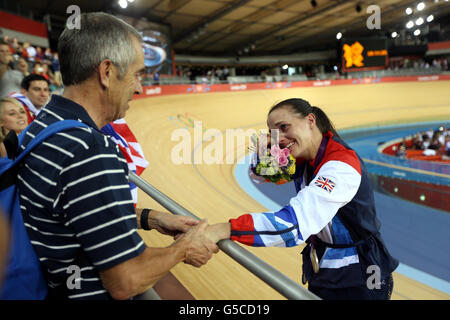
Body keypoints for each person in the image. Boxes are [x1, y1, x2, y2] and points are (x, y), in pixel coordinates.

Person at [17, 12, 218, 300]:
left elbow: (71, 210)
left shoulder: (42, 125)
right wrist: (184, 247)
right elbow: (126, 280)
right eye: (137, 74)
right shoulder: (89, 149)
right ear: (107, 72)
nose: (139, 87)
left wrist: (151, 218)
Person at [206, 98, 399, 300]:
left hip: (362, 272)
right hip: (325, 267)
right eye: (273, 132)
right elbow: (263, 175)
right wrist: (263, 151)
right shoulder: (305, 157)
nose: (278, 138)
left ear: (310, 121)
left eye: (284, 127)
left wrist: (226, 229)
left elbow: (292, 225)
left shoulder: (340, 166)